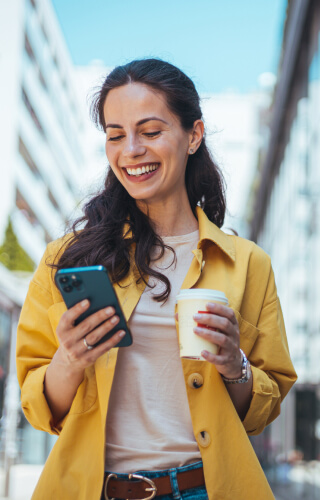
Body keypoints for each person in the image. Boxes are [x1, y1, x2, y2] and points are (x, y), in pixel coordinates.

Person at [16, 58, 297, 500]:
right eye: (115, 135)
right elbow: (37, 407)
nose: (130, 150)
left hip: (207, 490)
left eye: (150, 132)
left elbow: (264, 408)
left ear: (193, 136)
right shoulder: (67, 259)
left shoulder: (247, 264)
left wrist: (234, 365)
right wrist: (69, 359)